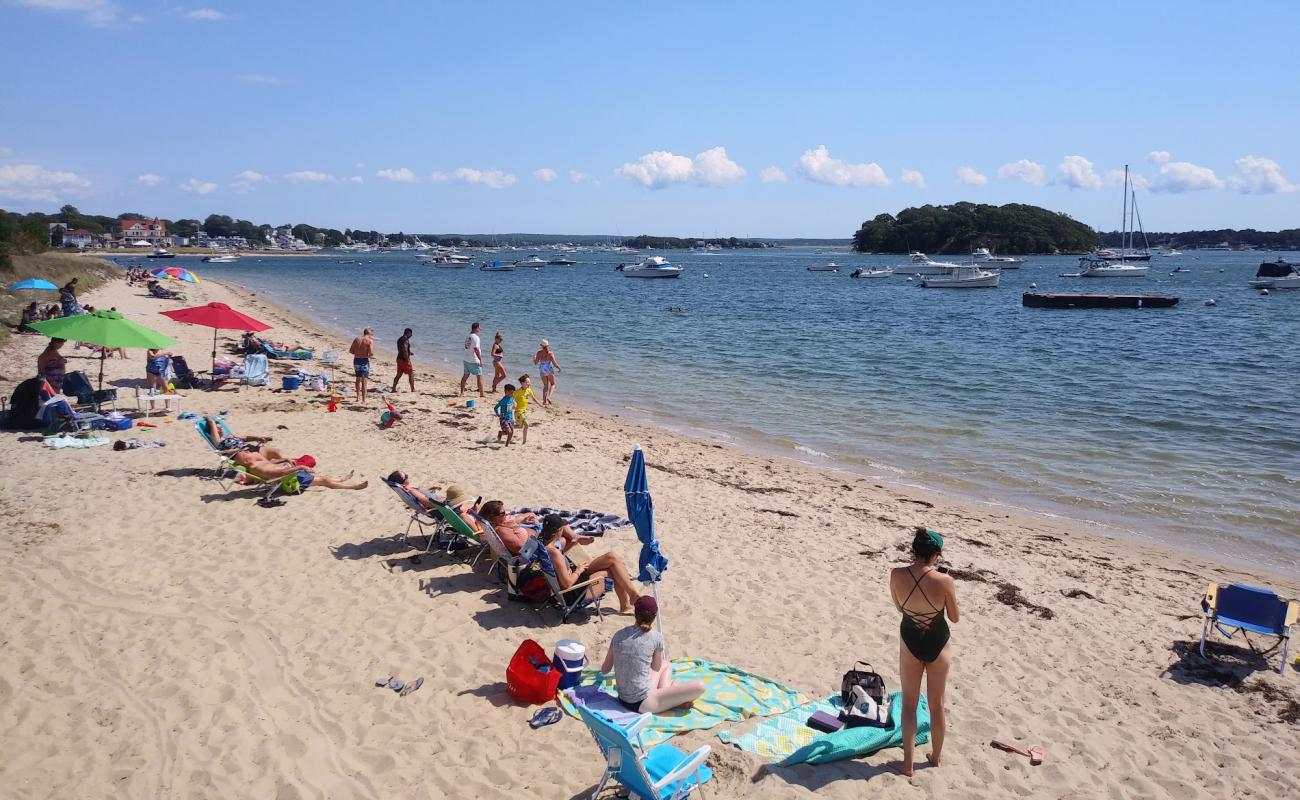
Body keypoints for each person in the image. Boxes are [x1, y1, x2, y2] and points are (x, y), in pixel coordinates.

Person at [889, 528, 959, 777]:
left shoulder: (896, 574)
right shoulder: (944, 580)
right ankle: (936, 758)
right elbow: (954, 617)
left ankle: (907, 764)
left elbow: (899, 606)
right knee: (936, 706)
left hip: (909, 640)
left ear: (914, 550)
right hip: (938, 643)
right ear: (936, 554)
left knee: (908, 704)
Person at [601, 596, 706, 713]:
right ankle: (671, 699)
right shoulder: (656, 637)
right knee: (700, 686)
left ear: (635, 613)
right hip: (644, 703)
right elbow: (656, 667)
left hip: (623, 699)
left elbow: (605, 669)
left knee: (666, 665)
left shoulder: (618, 635)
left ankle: (667, 694)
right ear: (654, 617)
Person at [539, 516, 639, 614]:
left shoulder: (543, 545)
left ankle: (629, 599)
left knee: (611, 557)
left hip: (572, 579)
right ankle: (628, 601)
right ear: (559, 530)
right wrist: (578, 570)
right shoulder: (555, 553)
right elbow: (567, 584)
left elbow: (560, 566)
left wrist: (576, 540)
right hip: (573, 592)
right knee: (611, 569)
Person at [232, 450, 367, 491]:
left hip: (291, 472)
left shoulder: (256, 463)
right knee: (324, 481)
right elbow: (277, 473)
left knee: (319, 475)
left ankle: (340, 479)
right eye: (245, 454)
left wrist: (284, 460)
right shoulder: (256, 467)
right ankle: (353, 487)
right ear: (246, 461)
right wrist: (300, 467)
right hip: (289, 479)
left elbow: (271, 464)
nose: (247, 452)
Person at [204, 415, 289, 462]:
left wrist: (258, 438)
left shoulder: (229, 436)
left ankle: (295, 463)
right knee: (269, 463)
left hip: (250, 447)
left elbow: (245, 438)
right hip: (242, 453)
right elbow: (211, 422)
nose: (221, 429)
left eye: (221, 427)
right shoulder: (218, 441)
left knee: (277, 452)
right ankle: (291, 468)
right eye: (218, 429)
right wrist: (208, 418)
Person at [349, 327, 374, 404]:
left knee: (358, 379)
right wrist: (368, 354)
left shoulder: (357, 339)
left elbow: (351, 350)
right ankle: (363, 400)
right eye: (371, 334)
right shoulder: (370, 341)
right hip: (364, 361)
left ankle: (357, 397)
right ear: (369, 333)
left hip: (356, 360)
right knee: (364, 380)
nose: (372, 336)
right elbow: (371, 353)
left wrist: (358, 352)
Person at [459, 321, 484, 397]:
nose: (480, 329)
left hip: (466, 359)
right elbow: (476, 349)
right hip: (474, 360)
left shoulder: (468, 336)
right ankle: (482, 394)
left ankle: (462, 392)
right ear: (476, 328)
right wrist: (480, 359)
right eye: (479, 328)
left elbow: (466, 346)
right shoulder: (476, 337)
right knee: (479, 376)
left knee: (465, 376)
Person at [512, 375, 539, 445]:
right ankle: (524, 441)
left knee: (520, 426)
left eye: (529, 382)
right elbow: (511, 398)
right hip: (518, 412)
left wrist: (541, 405)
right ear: (522, 383)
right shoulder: (518, 391)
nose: (529, 383)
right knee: (526, 425)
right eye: (527, 382)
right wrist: (513, 403)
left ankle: (508, 427)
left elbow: (534, 398)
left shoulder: (529, 390)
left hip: (524, 412)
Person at [533, 339, 561, 405]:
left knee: (545, 386)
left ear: (541, 346)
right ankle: (549, 397)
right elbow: (555, 364)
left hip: (542, 370)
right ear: (548, 345)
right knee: (553, 384)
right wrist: (559, 368)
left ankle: (544, 401)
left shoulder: (539, 353)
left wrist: (534, 358)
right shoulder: (550, 353)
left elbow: (535, 363)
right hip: (549, 370)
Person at [392, 328, 415, 393]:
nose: (411, 335)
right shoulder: (406, 340)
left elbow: (401, 349)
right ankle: (412, 389)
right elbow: (404, 349)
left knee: (398, 374)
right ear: (408, 333)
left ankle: (393, 389)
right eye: (411, 334)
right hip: (404, 360)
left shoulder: (399, 339)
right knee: (411, 374)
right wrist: (407, 359)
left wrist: (409, 352)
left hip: (399, 359)